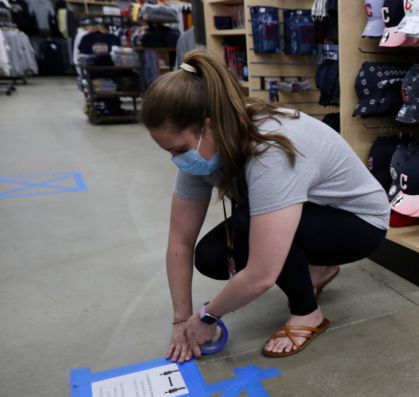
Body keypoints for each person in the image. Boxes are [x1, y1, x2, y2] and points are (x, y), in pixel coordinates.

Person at [140, 49, 389, 360]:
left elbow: (261, 274)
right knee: (211, 257)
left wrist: (206, 316)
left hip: (360, 224)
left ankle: (307, 313)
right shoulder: (199, 152)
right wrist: (180, 320)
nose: (176, 159)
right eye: (169, 151)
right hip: (311, 212)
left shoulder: (270, 149)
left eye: (178, 149)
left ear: (208, 125)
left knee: (247, 225)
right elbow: (180, 241)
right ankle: (318, 269)